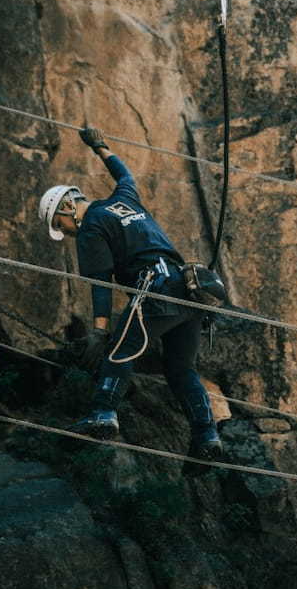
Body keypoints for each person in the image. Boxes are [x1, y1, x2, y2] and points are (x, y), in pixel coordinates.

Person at [38, 127, 223, 461]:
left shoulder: (91, 226)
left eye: (59, 224)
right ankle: (206, 436)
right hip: (189, 293)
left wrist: (98, 332)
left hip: (156, 289)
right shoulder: (124, 200)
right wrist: (101, 146)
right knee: (181, 368)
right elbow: (124, 174)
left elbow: (102, 283)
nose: (64, 233)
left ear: (67, 206)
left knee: (118, 351)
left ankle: (103, 413)